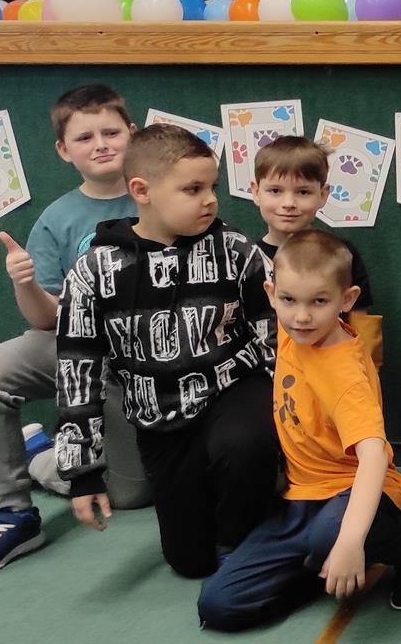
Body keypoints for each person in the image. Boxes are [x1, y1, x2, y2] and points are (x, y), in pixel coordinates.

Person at [54, 124, 279, 578]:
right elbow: (77, 368)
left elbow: (275, 335)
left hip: (234, 389)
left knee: (244, 445)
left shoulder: (237, 250)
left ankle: (246, 541)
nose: (210, 200)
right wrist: (83, 471)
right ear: (142, 191)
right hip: (160, 418)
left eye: (212, 187)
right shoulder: (93, 271)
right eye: (192, 189)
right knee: (190, 562)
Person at [0, 83, 149, 576]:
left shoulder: (162, 196)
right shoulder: (57, 219)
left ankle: (39, 455)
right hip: (69, 347)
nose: (100, 145)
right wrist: (26, 284)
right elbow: (43, 320)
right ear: (64, 150)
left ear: (133, 133)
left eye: (111, 132)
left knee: (130, 495)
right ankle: (13, 513)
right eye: (84, 138)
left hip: (136, 366)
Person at [196, 232, 401, 629]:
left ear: (347, 300)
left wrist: (350, 541)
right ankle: (326, 568)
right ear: (272, 295)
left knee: (330, 537)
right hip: (300, 501)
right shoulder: (291, 328)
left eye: (319, 302)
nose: (302, 316)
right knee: (218, 605)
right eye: (289, 300)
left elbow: (374, 456)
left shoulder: (344, 374)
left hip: (355, 493)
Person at [249, 136, 382, 367]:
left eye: (303, 192)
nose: (289, 203)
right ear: (256, 191)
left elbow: (361, 323)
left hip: (332, 372)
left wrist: (365, 370)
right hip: (265, 374)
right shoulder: (244, 258)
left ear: (323, 194)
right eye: (275, 190)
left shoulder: (341, 254)